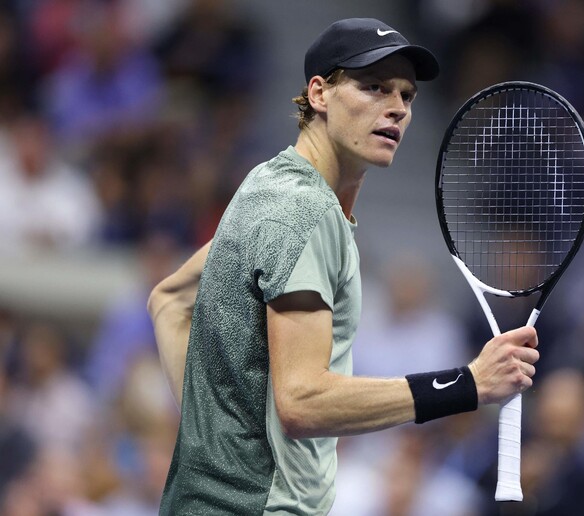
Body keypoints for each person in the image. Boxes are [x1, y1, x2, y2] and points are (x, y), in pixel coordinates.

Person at [147, 18, 540, 515]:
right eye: (373, 87)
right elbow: (303, 402)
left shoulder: (266, 186)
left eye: (406, 95)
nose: (396, 107)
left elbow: (169, 299)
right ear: (319, 93)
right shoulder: (302, 213)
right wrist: (469, 384)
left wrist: (219, 438)